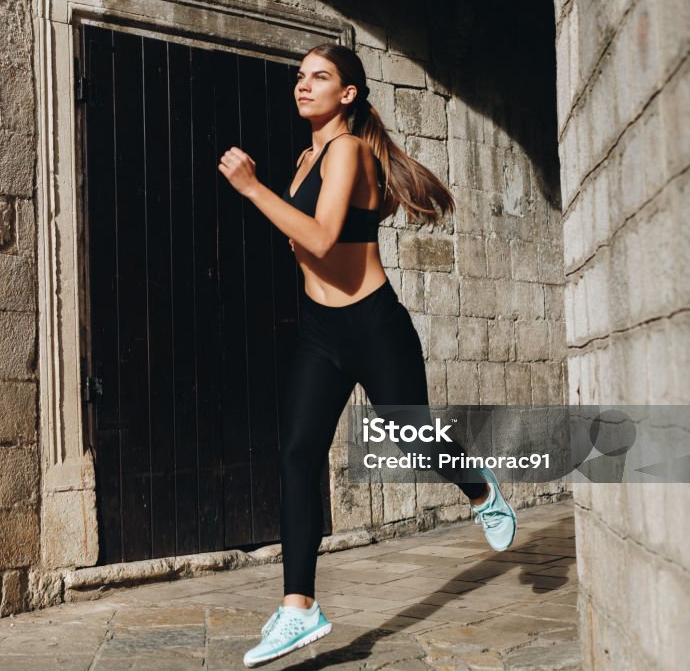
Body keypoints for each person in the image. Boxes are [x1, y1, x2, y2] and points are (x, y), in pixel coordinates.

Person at [217, 43, 517, 667]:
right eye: (300, 77)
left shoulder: (348, 149)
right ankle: (299, 609)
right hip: (318, 332)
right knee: (298, 454)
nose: (304, 86)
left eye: (319, 77)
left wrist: (251, 188)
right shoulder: (307, 157)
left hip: (373, 325)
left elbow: (323, 239)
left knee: (412, 437)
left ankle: (480, 488)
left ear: (347, 94)